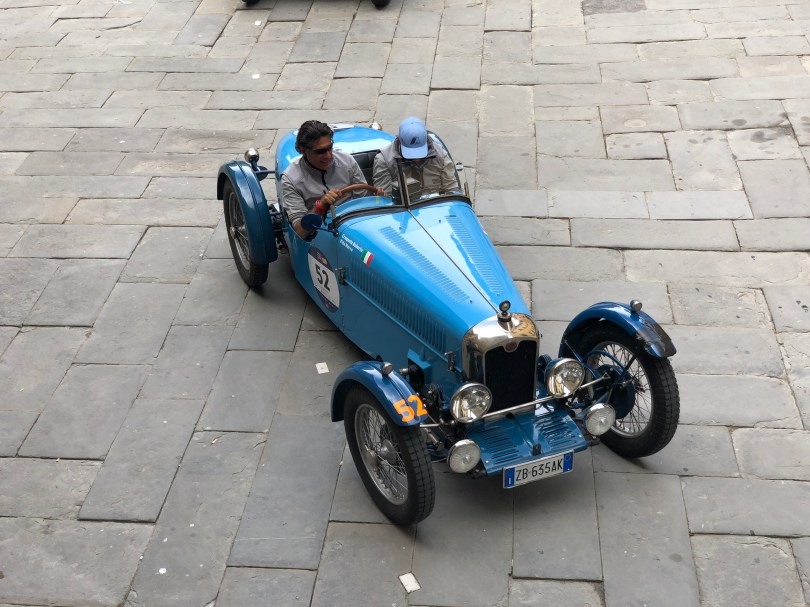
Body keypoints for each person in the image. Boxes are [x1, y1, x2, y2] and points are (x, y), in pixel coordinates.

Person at [281, 120, 383, 239]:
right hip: (319, 235)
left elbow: (364, 202)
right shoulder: (291, 179)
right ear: (303, 151)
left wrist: (378, 198)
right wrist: (320, 206)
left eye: (330, 148)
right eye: (320, 152)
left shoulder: (347, 162)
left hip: (353, 226)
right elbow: (299, 232)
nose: (328, 156)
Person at [372, 117, 458, 199]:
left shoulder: (441, 156)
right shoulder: (384, 160)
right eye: (410, 154)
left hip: (436, 205)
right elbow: (385, 200)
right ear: (399, 141)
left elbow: (452, 190)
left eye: (420, 153)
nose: (417, 159)